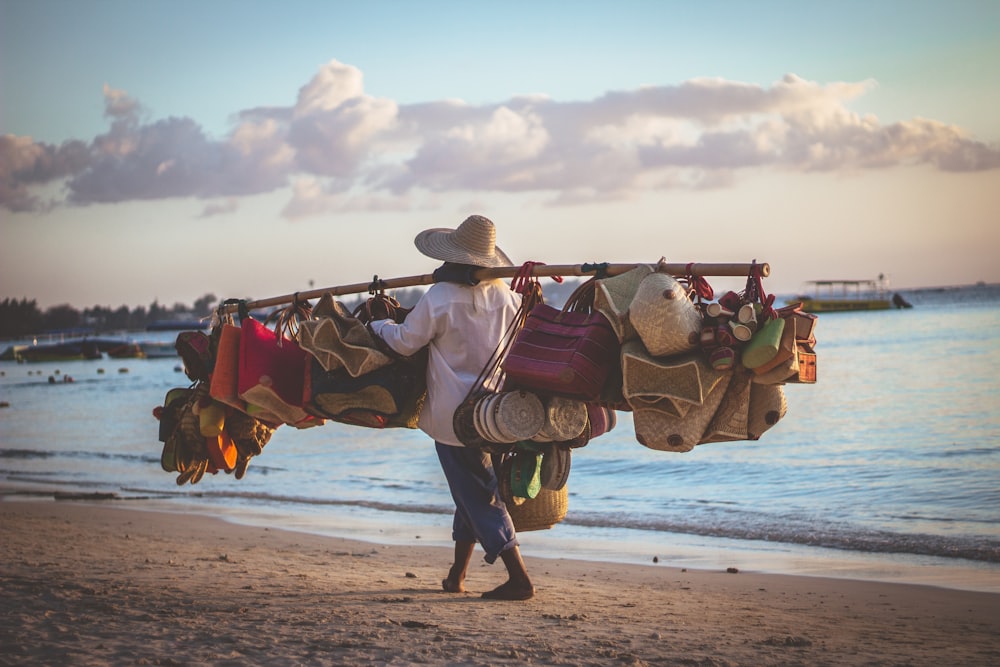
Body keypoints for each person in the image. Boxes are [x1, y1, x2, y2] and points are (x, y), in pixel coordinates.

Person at [368, 214, 535, 601]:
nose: (440, 268)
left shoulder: (440, 298)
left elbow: (404, 343)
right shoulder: (510, 299)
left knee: (478, 493)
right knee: (470, 492)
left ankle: (519, 578)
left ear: (459, 262)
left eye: (446, 261)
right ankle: (456, 575)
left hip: (454, 416)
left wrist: (379, 324)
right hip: (495, 413)